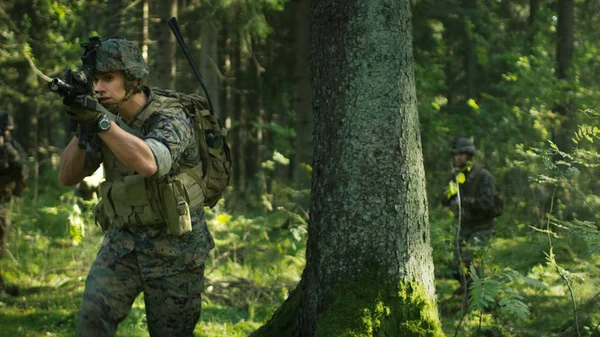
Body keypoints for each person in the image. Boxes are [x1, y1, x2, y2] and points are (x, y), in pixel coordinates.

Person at [58, 37, 214, 337]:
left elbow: (151, 162)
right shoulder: (102, 117)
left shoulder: (169, 116)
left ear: (133, 80)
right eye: (94, 80)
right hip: (122, 246)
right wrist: (83, 128)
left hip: (176, 250)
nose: (98, 87)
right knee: (91, 322)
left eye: (107, 78)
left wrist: (102, 123)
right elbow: (67, 176)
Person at [441, 137, 497, 288]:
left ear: (469, 155)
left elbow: (487, 203)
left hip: (482, 228)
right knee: (457, 269)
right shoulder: (455, 176)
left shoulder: (483, 176)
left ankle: (479, 302)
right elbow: (443, 199)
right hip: (463, 227)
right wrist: (451, 198)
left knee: (473, 266)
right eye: (456, 154)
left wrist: (466, 202)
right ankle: (467, 294)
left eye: (461, 154)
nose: (458, 157)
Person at [0, 110, 28, 297]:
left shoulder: (10, 146)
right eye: (5, 130)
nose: (7, 134)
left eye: (9, 130)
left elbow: (22, 170)